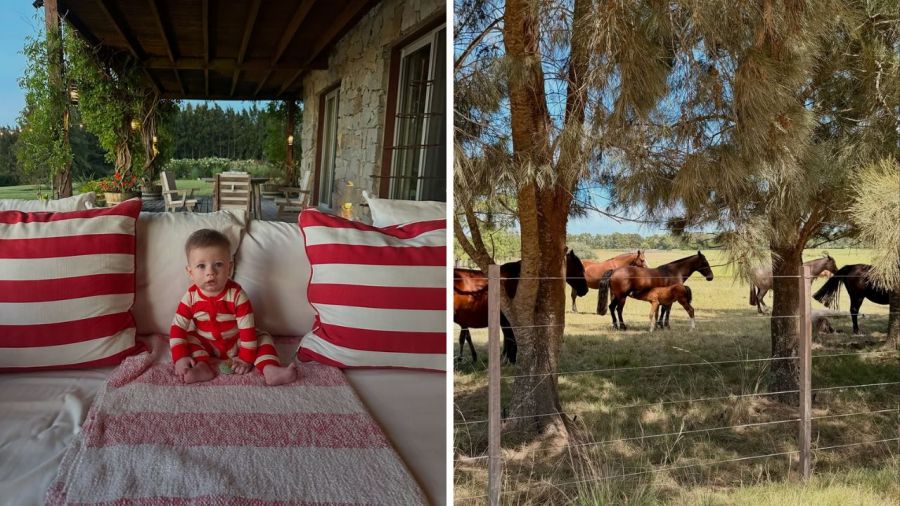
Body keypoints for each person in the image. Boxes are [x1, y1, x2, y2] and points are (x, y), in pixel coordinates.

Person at [169, 228, 297, 385]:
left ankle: (270, 369)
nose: (210, 272)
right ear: (190, 272)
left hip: (237, 342)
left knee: (262, 337)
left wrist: (246, 358)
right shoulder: (189, 298)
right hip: (206, 343)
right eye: (201, 266)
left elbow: (247, 329)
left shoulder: (237, 295)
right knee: (188, 338)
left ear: (229, 268)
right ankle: (202, 366)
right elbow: (177, 328)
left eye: (218, 265)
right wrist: (180, 358)